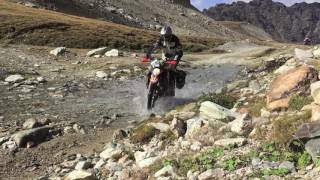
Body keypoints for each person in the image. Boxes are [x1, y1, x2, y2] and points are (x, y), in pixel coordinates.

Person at [145, 26, 184, 96]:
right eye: (164, 35)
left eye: (167, 36)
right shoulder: (161, 39)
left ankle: (171, 92)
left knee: (171, 72)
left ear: (170, 35)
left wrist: (176, 59)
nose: (165, 37)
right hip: (164, 58)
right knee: (151, 69)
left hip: (173, 58)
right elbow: (154, 46)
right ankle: (148, 85)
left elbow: (180, 51)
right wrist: (148, 54)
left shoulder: (176, 40)